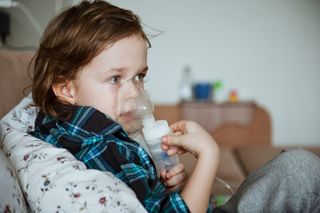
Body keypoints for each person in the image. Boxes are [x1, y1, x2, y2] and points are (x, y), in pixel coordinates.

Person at [30, 1, 219, 212]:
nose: (134, 92)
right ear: (66, 89)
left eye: (139, 76)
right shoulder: (104, 147)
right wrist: (208, 155)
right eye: (114, 79)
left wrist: (165, 187)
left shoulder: (62, 129)